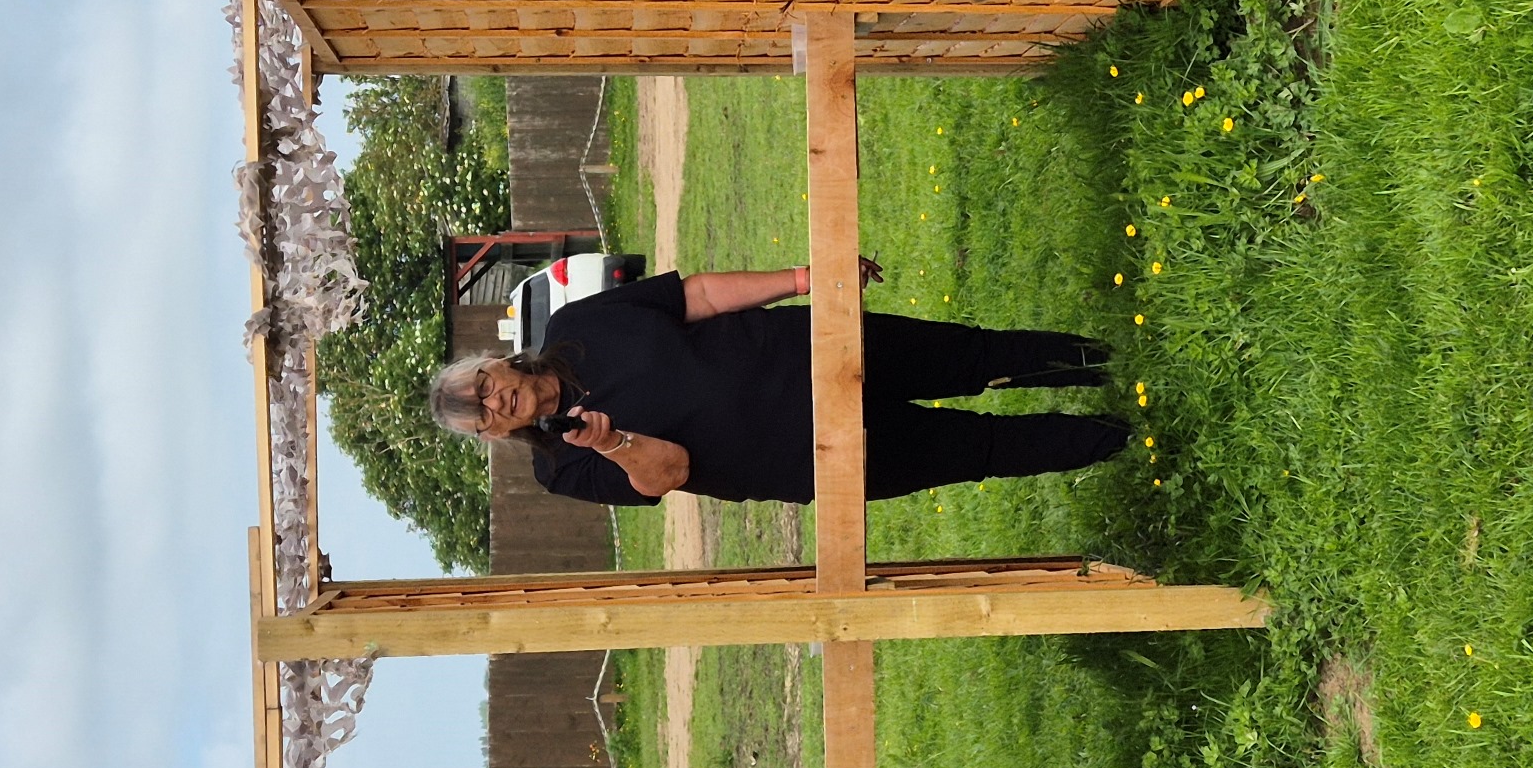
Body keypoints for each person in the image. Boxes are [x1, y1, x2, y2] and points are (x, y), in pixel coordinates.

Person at [429, 263, 1127, 507]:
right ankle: (1126, 436)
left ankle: (1120, 361)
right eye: (482, 415)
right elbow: (671, 471)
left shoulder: (577, 323)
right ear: (494, 434)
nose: (494, 401)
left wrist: (803, 279)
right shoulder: (562, 468)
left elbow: (696, 296)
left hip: (820, 348)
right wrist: (614, 445)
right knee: (983, 450)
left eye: (484, 386)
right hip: (817, 454)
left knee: (976, 355)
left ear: (497, 364)